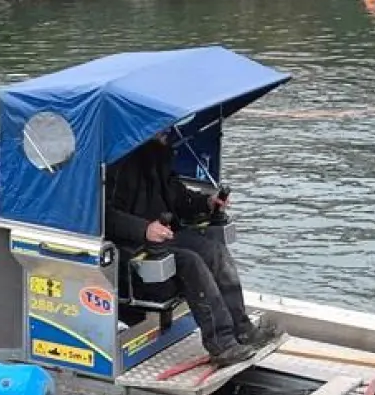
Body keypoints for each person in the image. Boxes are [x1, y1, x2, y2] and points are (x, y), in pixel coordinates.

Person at [104, 130, 279, 367]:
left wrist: (206, 203)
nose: (168, 131)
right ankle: (222, 344)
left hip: (163, 236)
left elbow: (175, 194)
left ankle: (242, 328)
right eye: (163, 128)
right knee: (190, 262)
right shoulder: (116, 165)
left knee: (212, 250)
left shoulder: (157, 156)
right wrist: (144, 229)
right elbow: (104, 216)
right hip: (130, 249)